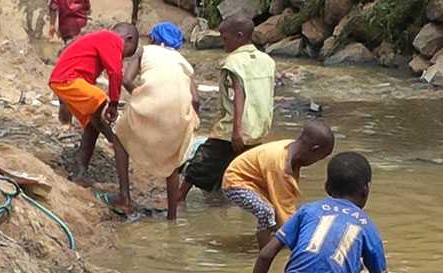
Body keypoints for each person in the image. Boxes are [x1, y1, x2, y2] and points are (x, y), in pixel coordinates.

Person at [180, 15, 276, 200]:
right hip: (259, 127)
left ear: (239, 36)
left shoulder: (233, 62)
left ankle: (179, 198)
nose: (224, 44)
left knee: (202, 164)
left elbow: (238, 95)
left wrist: (236, 130)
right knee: (246, 170)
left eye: (225, 39)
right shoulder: (267, 61)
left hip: (234, 127)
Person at [48, 23, 138, 214]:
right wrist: (114, 102)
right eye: (125, 55)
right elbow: (115, 72)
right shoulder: (112, 39)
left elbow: (72, 61)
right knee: (100, 100)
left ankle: (81, 172)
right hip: (68, 79)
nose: (121, 58)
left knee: (91, 124)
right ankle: (115, 141)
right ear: (128, 39)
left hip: (67, 79)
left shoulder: (98, 39)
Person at [115, 22, 200, 220]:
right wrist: (192, 120)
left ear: (153, 38)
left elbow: (126, 79)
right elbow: (195, 99)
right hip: (179, 112)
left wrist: (140, 96)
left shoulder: (145, 51)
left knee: (120, 138)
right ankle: (172, 217)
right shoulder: (183, 62)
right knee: (173, 161)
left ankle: (124, 197)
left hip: (149, 103)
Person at [253, 152, 388, 273]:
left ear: (327, 187)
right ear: (365, 190)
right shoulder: (367, 226)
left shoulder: (309, 210)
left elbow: (265, 255)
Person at [222, 121, 335, 251]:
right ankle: (265, 251)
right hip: (236, 183)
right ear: (314, 150)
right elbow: (284, 210)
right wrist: (302, 245)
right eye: (319, 158)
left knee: (277, 214)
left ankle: (272, 241)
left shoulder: (294, 150)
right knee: (266, 212)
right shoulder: (281, 166)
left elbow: (287, 201)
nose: (315, 162)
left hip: (257, 181)